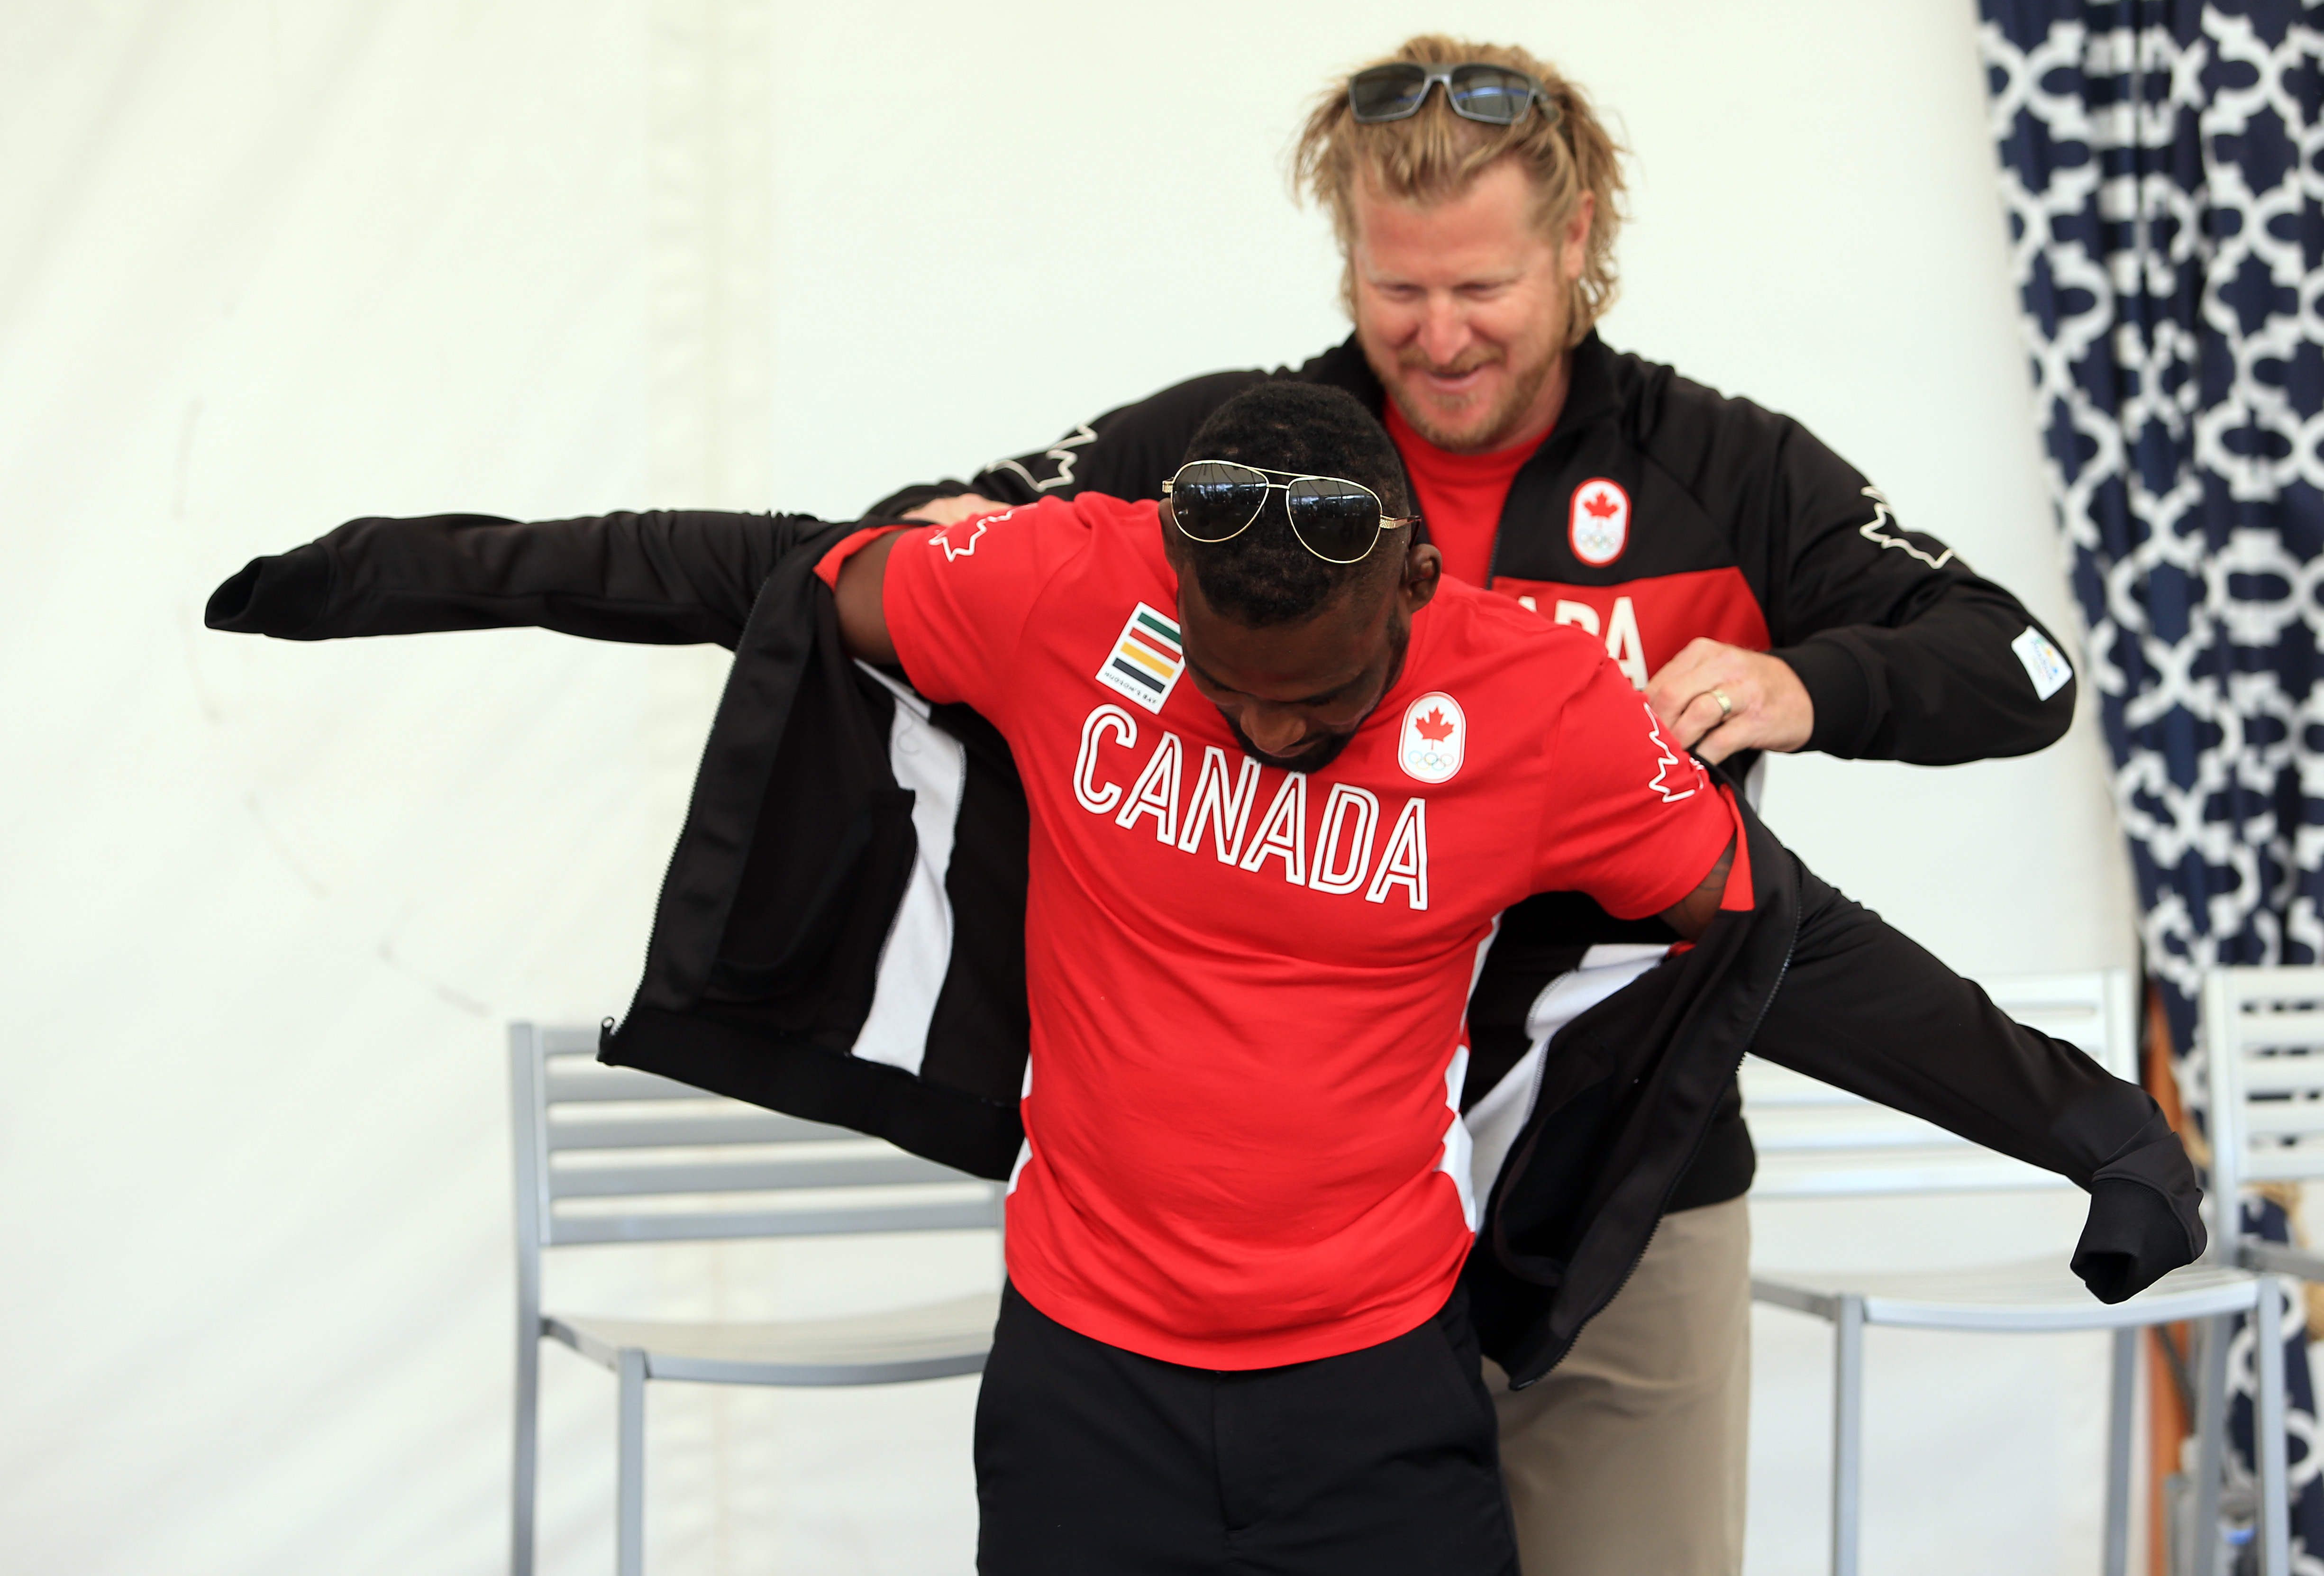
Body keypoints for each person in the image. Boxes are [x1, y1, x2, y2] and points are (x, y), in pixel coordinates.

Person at [210, 383, 2196, 1576]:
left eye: (1316, 698)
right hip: (1086, 1384)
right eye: (1231, 690)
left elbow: (1792, 941)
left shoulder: (1530, 706)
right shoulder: (1065, 588)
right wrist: (410, 566)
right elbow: (742, 569)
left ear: (1412, 591)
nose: (1266, 734)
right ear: (1167, 584)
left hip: (1374, 1395)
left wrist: (2087, 1124)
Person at [864, 34, 2084, 1574]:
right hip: (1272, 1262)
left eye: (1483, 290)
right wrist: (937, 523)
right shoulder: (1244, 462)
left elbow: (2024, 667)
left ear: (1578, 246)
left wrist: (1810, 684)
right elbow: (926, 552)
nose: (1437, 339)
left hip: (1619, 1201)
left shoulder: (1722, 471)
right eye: (1397, 290)